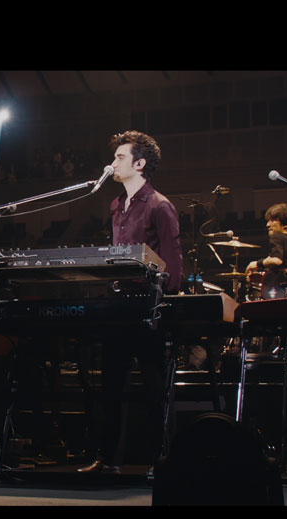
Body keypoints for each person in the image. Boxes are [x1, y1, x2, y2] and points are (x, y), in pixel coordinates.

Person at [79, 130, 182, 475]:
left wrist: (162, 304)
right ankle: (109, 459)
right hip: (119, 307)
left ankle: (161, 461)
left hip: (149, 308)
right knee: (110, 384)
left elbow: (173, 263)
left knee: (154, 387)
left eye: (120, 157)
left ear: (140, 164)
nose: (113, 163)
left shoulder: (159, 205)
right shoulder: (116, 205)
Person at [245, 203, 287, 299]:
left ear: (286, 224)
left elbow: (276, 260)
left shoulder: (277, 237)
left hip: (283, 294)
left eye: (273, 220)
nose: (268, 225)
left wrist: (256, 264)